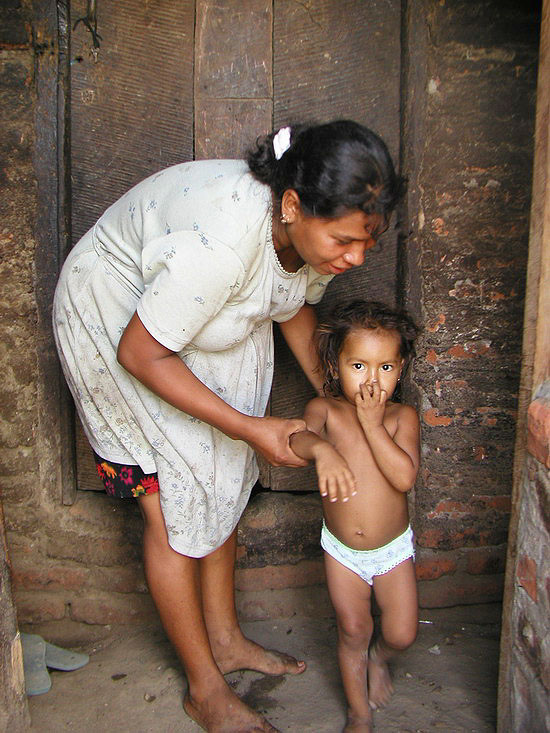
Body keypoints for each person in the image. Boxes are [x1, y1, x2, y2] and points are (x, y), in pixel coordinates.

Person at [52, 120, 403, 732]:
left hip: (184, 318)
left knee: (221, 476)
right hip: (114, 318)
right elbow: (140, 353)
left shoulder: (294, 236)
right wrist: (250, 427)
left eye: (368, 244)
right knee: (168, 502)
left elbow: (294, 305)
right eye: (346, 241)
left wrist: (335, 402)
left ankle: (226, 639)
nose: (357, 258)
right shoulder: (221, 243)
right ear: (292, 205)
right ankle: (204, 690)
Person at [289, 300, 420, 733]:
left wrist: (372, 422)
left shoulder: (402, 417)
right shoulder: (325, 411)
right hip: (342, 550)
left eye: (385, 368)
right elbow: (296, 440)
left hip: (392, 550)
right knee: (352, 630)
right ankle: (359, 714)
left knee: (401, 634)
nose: (371, 379)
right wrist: (322, 449)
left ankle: (379, 658)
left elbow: (403, 478)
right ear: (335, 365)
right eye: (359, 365)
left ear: (399, 370)